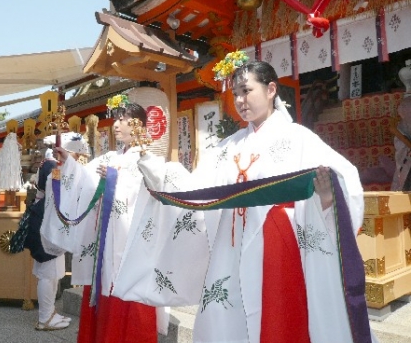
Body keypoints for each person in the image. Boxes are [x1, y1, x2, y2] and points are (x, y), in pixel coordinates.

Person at [112, 58, 379, 342]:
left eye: (246, 90)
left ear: (271, 90)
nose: (240, 99)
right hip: (231, 245)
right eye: (236, 93)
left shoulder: (299, 138)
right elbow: (197, 188)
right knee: (228, 318)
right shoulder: (228, 146)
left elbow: (344, 177)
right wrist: (160, 173)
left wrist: (326, 196)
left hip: (278, 245)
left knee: (278, 317)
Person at [40, 94, 163, 343]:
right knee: (103, 288)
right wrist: (69, 163)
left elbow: (153, 191)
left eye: (124, 119)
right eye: (116, 119)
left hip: (130, 243)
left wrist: (116, 180)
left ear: (138, 124)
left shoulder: (149, 160)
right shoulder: (112, 158)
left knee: (128, 296)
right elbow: (86, 182)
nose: (116, 125)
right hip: (106, 241)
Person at [28, 133, 89, 331]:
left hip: (51, 223)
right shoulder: (53, 166)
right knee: (48, 273)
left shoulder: (52, 165)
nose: (77, 160)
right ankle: (45, 317)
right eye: (77, 155)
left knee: (53, 273)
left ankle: (50, 312)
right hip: (48, 225)